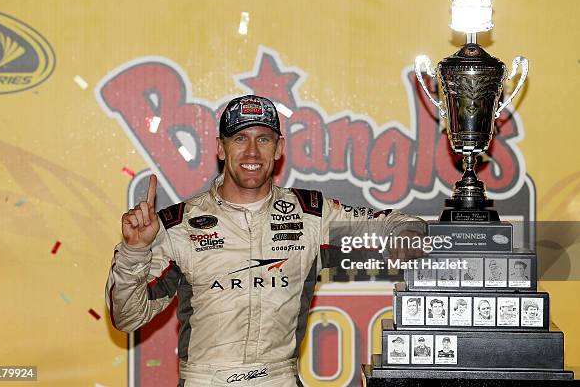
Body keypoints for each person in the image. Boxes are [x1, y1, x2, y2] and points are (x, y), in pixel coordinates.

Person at [105, 95, 425, 387]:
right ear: (220, 147)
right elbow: (128, 318)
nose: (252, 152)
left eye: (264, 139)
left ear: (279, 148)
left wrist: (407, 234)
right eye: (240, 139)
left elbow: (396, 224)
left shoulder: (311, 215)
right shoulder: (178, 224)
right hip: (205, 380)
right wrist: (135, 250)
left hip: (278, 378)